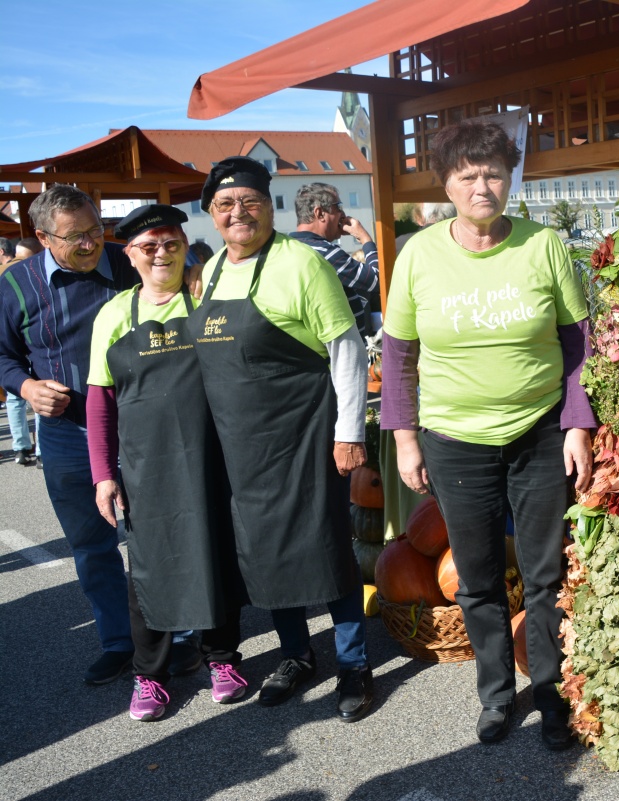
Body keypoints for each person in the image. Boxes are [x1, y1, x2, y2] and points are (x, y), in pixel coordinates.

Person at [380, 120, 595, 750]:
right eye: (468, 175)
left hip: (537, 433)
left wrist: (577, 424)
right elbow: (397, 355)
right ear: (446, 183)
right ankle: (497, 694)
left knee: (544, 572)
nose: (483, 186)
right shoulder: (419, 254)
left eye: (495, 173)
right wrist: (405, 438)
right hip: (454, 438)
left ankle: (552, 693)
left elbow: (575, 342)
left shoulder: (543, 244)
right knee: (475, 577)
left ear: (510, 178)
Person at [188, 156, 373, 722]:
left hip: (306, 434)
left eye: (250, 201)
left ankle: (353, 665)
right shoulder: (213, 270)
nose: (238, 212)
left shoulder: (302, 263)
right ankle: (296, 656)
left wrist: (349, 433)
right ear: (213, 216)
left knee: (327, 547)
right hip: (240, 444)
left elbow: (345, 347)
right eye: (226, 205)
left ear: (269, 207)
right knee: (264, 553)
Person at [87, 205, 247, 720]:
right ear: (130, 255)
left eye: (170, 241)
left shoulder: (206, 298)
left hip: (212, 457)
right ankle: (149, 676)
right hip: (146, 465)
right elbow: (99, 401)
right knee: (151, 571)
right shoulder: (113, 315)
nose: (161, 252)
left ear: (184, 244)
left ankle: (222, 659)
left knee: (217, 555)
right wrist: (103, 475)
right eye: (148, 245)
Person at [0, 185, 137, 683]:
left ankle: (177, 636)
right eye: (76, 236)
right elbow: (3, 355)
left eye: (96, 230)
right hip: (67, 436)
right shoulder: (15, 285)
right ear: (42, 237)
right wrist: (26, 386)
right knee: (92, 544)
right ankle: (119, 642)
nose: (90, 243)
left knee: (157, 536)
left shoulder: (131, 262)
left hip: (141, 429)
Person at [291, 182, 379, 339]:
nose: (343, 215)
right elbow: (377, 280)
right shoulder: (326, 253)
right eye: (338, 207)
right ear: (320, 213)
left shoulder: (289, 247)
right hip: (339, 352)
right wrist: (364, 238)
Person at [0, 237, 36, 466]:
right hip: (33, 338)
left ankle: (20, 448)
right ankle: (43, 451)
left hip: (8, 337)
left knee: (15, 396)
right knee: (41, 391)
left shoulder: (5, 273)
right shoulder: (33, 271)